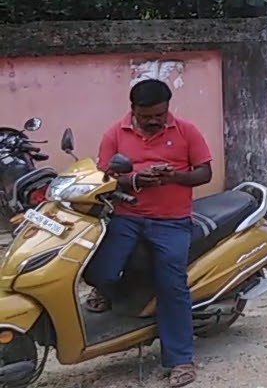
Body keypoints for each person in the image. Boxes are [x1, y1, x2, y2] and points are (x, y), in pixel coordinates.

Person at [84, 79, 213, 388]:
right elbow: (105, 178)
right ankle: (112, 294)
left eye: (161, 114)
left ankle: (181, 360)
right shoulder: (115, 134)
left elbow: (205, 173)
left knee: (172, 286)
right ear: (133, 110)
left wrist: (175, 177)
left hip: (172, 221)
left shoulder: (186, 131)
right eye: (148, 116)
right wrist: (135, 179)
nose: (155, 120)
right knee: (97, 268)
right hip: (127, 216)